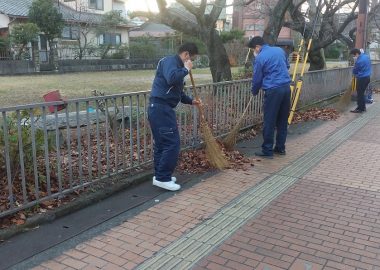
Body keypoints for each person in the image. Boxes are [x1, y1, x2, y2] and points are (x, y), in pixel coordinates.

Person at [148, 43, 200, 191]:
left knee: (162, 144)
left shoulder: (176, 67)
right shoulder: (170, 62)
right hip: (161, 109)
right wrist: (186, 69)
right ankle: (163, 178)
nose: (192, 62)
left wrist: (191, 101)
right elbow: (171, 78)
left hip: (160, 108)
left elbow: (177, 92)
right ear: (186, 55)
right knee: (172, 143)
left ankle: (160, 175)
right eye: (192, 59)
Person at [248, 36, 291, 159]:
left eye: (253, 49)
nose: (254, 52)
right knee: (282, 120)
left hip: (273, 90)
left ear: (257, 47)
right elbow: (287, 66)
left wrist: (254, 91)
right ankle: (280, 148)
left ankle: (267, 150)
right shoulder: (280, 50)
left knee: (269, 121)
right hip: (286, 88)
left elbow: (257, 79)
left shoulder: (260, 57)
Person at [350, 48, 372, 113]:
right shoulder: (366, 56)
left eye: (354, 55)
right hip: (367, 77)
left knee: (360, 94)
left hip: (362, 78)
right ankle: (362, 107)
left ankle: (360, 109)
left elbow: (355, 71)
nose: (354, 57)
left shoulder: (359, 61)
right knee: (362, 93)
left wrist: (354, 74)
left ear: (357, 53)